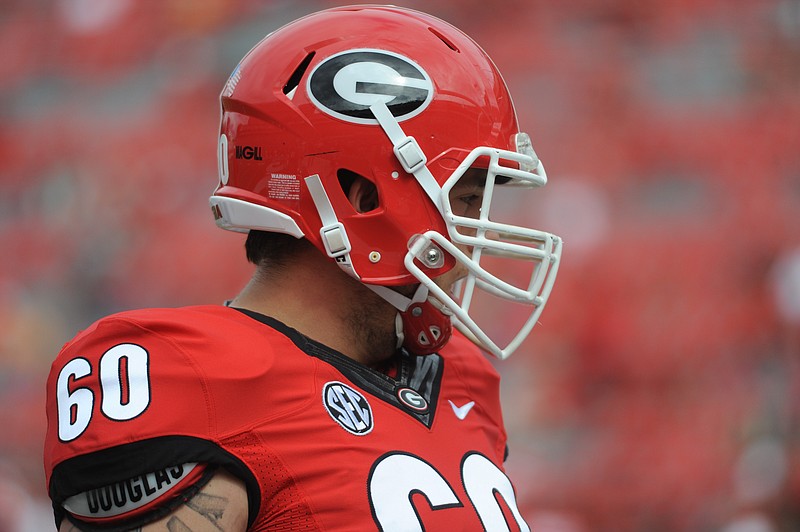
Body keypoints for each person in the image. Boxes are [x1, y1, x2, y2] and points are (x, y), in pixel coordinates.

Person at [43, 5, 562, 531]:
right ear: (363, 201)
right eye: (467, 199)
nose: (478, 233)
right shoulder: (184, 376)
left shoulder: (461, 375)